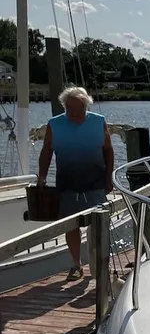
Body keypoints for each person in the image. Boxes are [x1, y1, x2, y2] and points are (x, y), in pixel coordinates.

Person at [37, 85, 114, 281]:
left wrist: (108, 178)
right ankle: (76, 265)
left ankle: (100, 265)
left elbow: (108, 151)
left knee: (98, 226)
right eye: (70, 109)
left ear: (86, 107)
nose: (74, 113)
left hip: (95, 183)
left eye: (79, 109)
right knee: (71, 226)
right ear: (64, 106)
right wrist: (42, 177)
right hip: (67, 184)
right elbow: (46, 152)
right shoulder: (54, 124)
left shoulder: (99, 122)